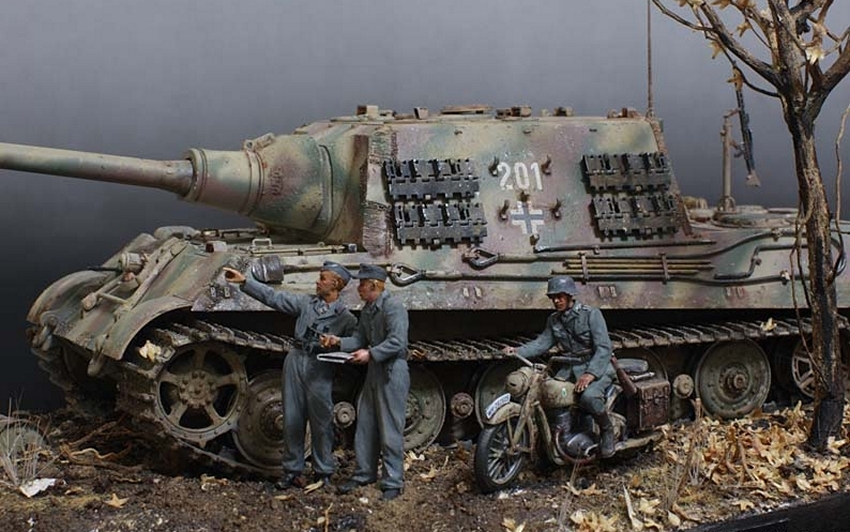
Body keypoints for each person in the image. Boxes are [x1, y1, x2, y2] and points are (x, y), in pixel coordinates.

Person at [222, 261, 356, 489]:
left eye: (323, 278)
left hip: (320, 365)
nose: (318, 282)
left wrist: (338, 342)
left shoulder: (345, 318)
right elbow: (274, 298)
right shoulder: (306, 304)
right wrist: (245, 282)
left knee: (321, 421)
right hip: (296, 358)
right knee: (292, 418)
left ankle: (323, 471)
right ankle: (292, 470)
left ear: (336, 284)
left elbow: (357, 341)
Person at [319, 263, 410, 501]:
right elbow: (360, 337)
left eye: (362, 284)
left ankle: (393, 481)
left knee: (390, 429)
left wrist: (371, 353)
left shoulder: (392, 307)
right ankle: (364, 474)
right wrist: (338, 342)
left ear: (374, 285)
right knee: (366, 425)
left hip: (391, 371)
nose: (358, 288)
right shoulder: (369, 309)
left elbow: (398, 341)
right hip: (375, 371)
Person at [502, 275, 617, 458]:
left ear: (570, 296)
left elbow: (604, 347)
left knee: (588, 398)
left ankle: (606, 430)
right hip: (569, 369)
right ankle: (560, 437)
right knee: (551, 394)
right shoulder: (554, 320)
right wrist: (517, 351)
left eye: (560, 296)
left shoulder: (590, 314)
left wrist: (590, 374)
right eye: (553, 297)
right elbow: (542, 343)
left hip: (597, 366)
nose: (556, 301)